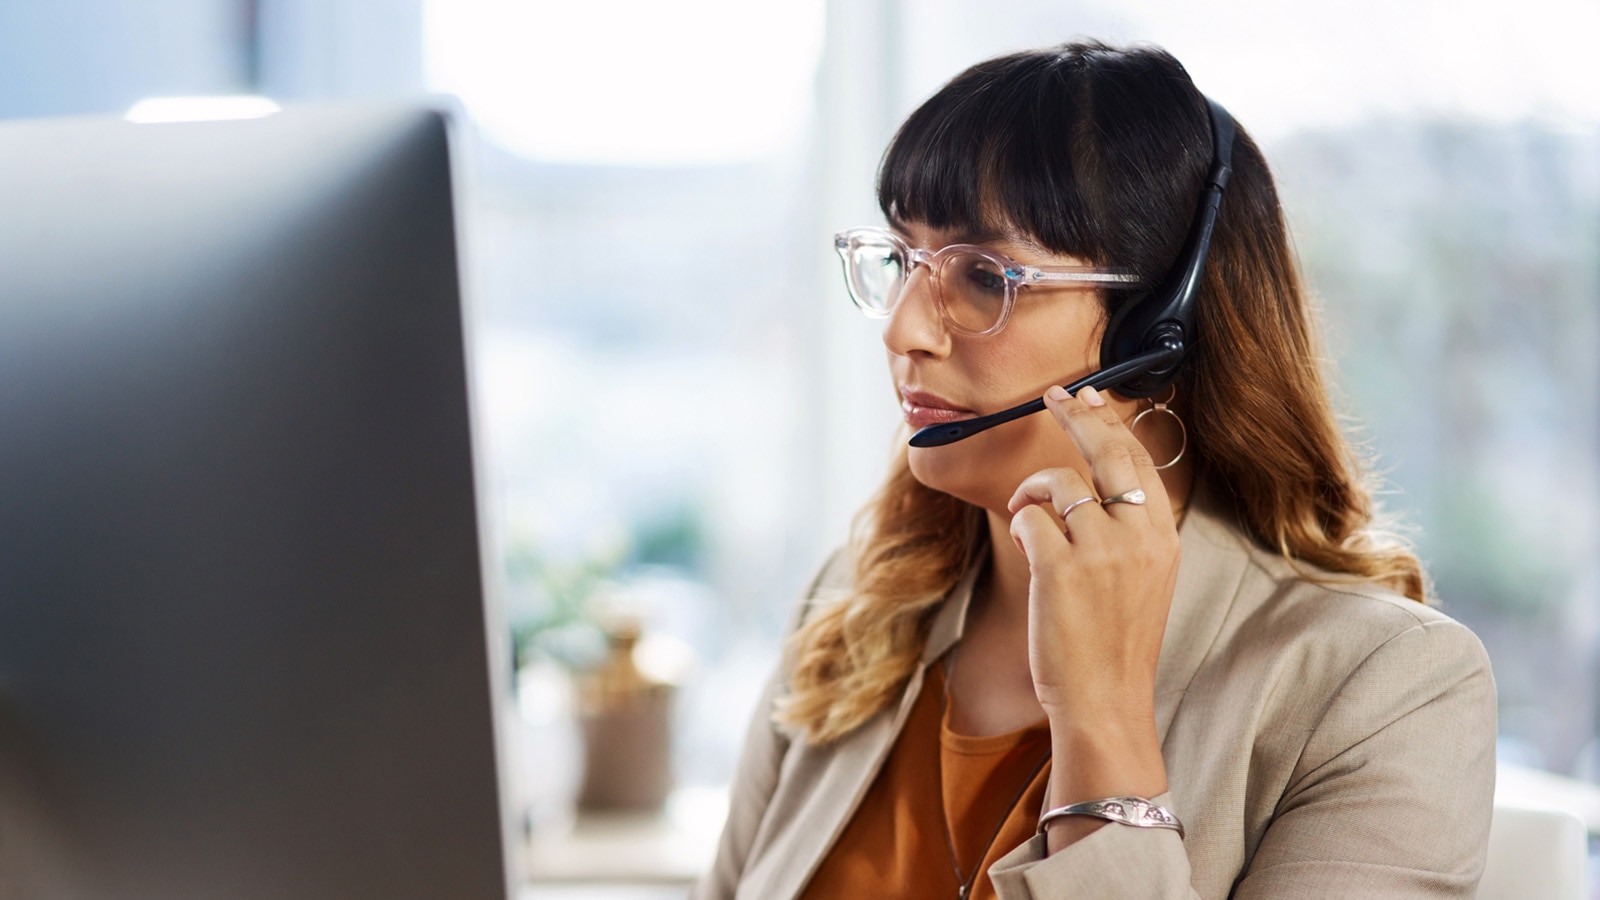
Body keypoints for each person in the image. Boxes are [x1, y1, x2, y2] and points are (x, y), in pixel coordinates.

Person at [692, 40, 1496, 900]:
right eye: (901, 260)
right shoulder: (855, 606)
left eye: (980, 274)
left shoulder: (1383, 690)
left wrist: (1102, 716)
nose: (903, 332)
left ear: (1155, 330)